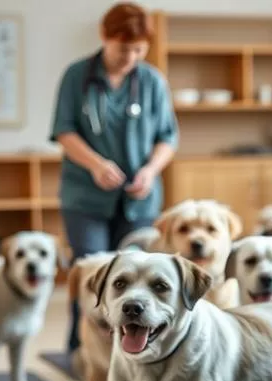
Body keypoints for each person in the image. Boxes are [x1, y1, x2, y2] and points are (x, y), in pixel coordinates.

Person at [49, 2, 177, 360]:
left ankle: (132, 354)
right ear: (105, 37)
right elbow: (64, 130)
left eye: (139, 50)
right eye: (124, 49)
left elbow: (168, 137)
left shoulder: (152, 81)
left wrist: (151, 170)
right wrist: (95, 164)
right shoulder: (77, 76)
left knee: (137, 277)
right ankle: (81, 352)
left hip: (139, 198)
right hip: (85, 197)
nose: (130, 57)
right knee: (92, 275)